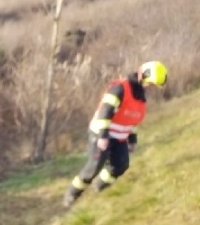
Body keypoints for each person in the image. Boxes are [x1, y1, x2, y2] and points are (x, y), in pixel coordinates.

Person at [63, 61, 168, 208]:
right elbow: (105, 112)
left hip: (119, 137)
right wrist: (103, 136)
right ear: (142, 76)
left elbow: (131, 120)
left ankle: (99, 188)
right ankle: (72, 193)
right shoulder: (120, 89)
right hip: (101, 134)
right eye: (150, 83)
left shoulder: (140, 97)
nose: (150, 87)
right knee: (94, 167)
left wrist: (132, 139)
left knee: (120, 165)